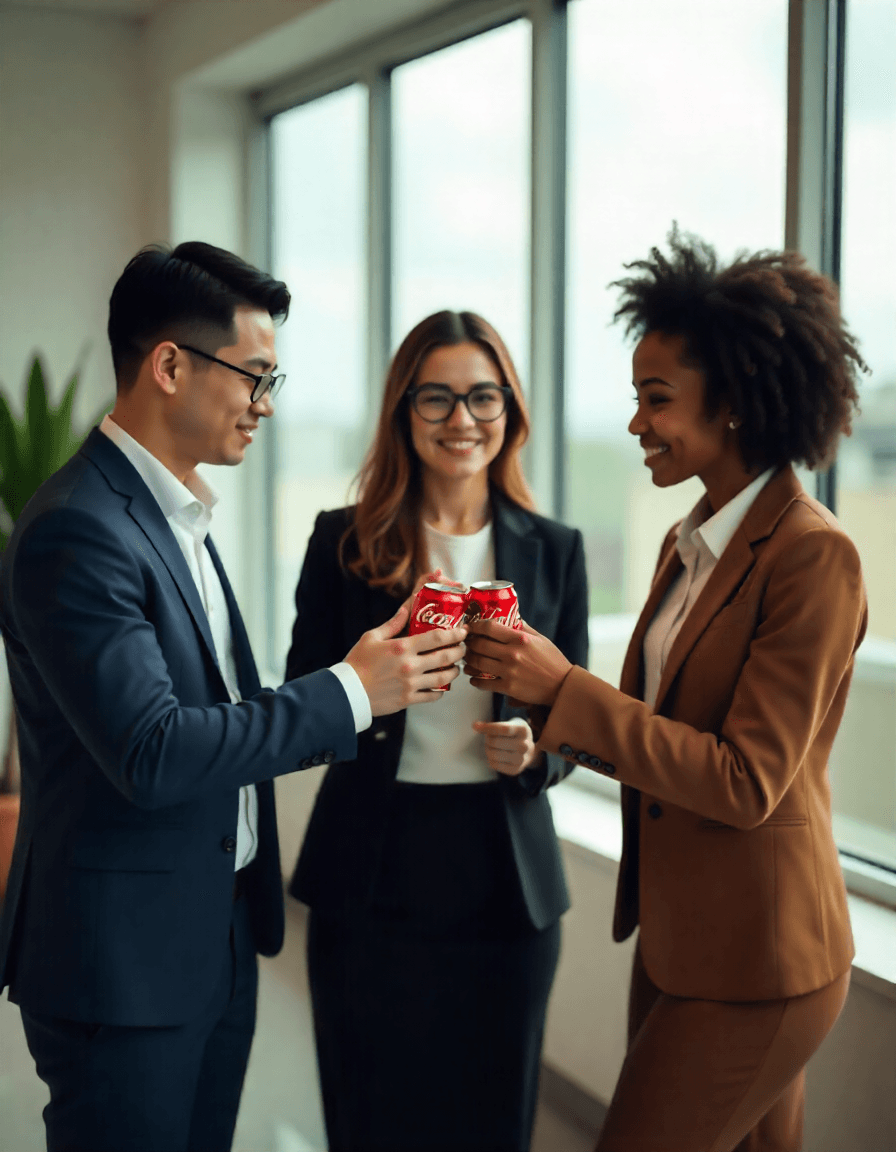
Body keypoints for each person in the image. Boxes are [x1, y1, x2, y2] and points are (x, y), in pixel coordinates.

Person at [0, 242, 466, 1152]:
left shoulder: (179, 513)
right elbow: (155, 750)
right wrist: (350, 690)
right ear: (170, 366)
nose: (267, 404)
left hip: (212, 932)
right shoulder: (76, 530)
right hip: (122, 967)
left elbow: (217, 714)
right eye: (255, 376)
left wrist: (372, 672)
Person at [464, 231, 868, 1152]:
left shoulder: (814, 556)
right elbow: (659, 733)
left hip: (762, 961)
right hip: (683, 936)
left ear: (734, 403)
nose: (637, 423)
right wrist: (543, 702)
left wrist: (566, 687)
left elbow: (745, 781)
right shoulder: (687, 543)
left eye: (657, 398)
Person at [285, 309, 589, 1152]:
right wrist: (370, 688)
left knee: (493, 1123)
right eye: (437, 397)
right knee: (369, 1120)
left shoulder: (555, 549)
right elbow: (302, 707)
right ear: (404, 410)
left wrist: (535, 754)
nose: (462, 418)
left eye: (483, 396)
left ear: (509, 410)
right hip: (370, 867)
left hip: (506, 878)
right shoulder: (343, 541)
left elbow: (574, 718)